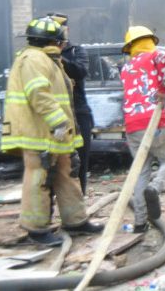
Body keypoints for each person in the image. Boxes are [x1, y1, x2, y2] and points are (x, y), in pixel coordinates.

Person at [1, 16, 103, 246]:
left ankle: (75, 221)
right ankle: (36, 230)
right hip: (38, 134)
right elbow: (39, 94)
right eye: (61, 40)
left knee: (67, 176)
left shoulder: (50, 60)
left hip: (55, 135)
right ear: (55, 41)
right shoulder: (33, 60)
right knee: (40, 178)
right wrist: (58, 122)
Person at [120, 26, 165, 233]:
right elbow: (164, 56)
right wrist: (164, 90)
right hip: (155, 122)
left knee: (140, 171)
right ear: (149, 41)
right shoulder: (156, 55)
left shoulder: (126, 68)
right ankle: (155, 188)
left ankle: (139, 223)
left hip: (132, 126)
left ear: (131, 47)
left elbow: (144, 83)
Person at [48, 14, 95, 196]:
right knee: (53, 164)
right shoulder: (40, 58)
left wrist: (58, 57)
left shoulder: (76, 51)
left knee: (80, 162)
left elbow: (80, 71)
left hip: (78, 114)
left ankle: (79, 201)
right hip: (53, 115)